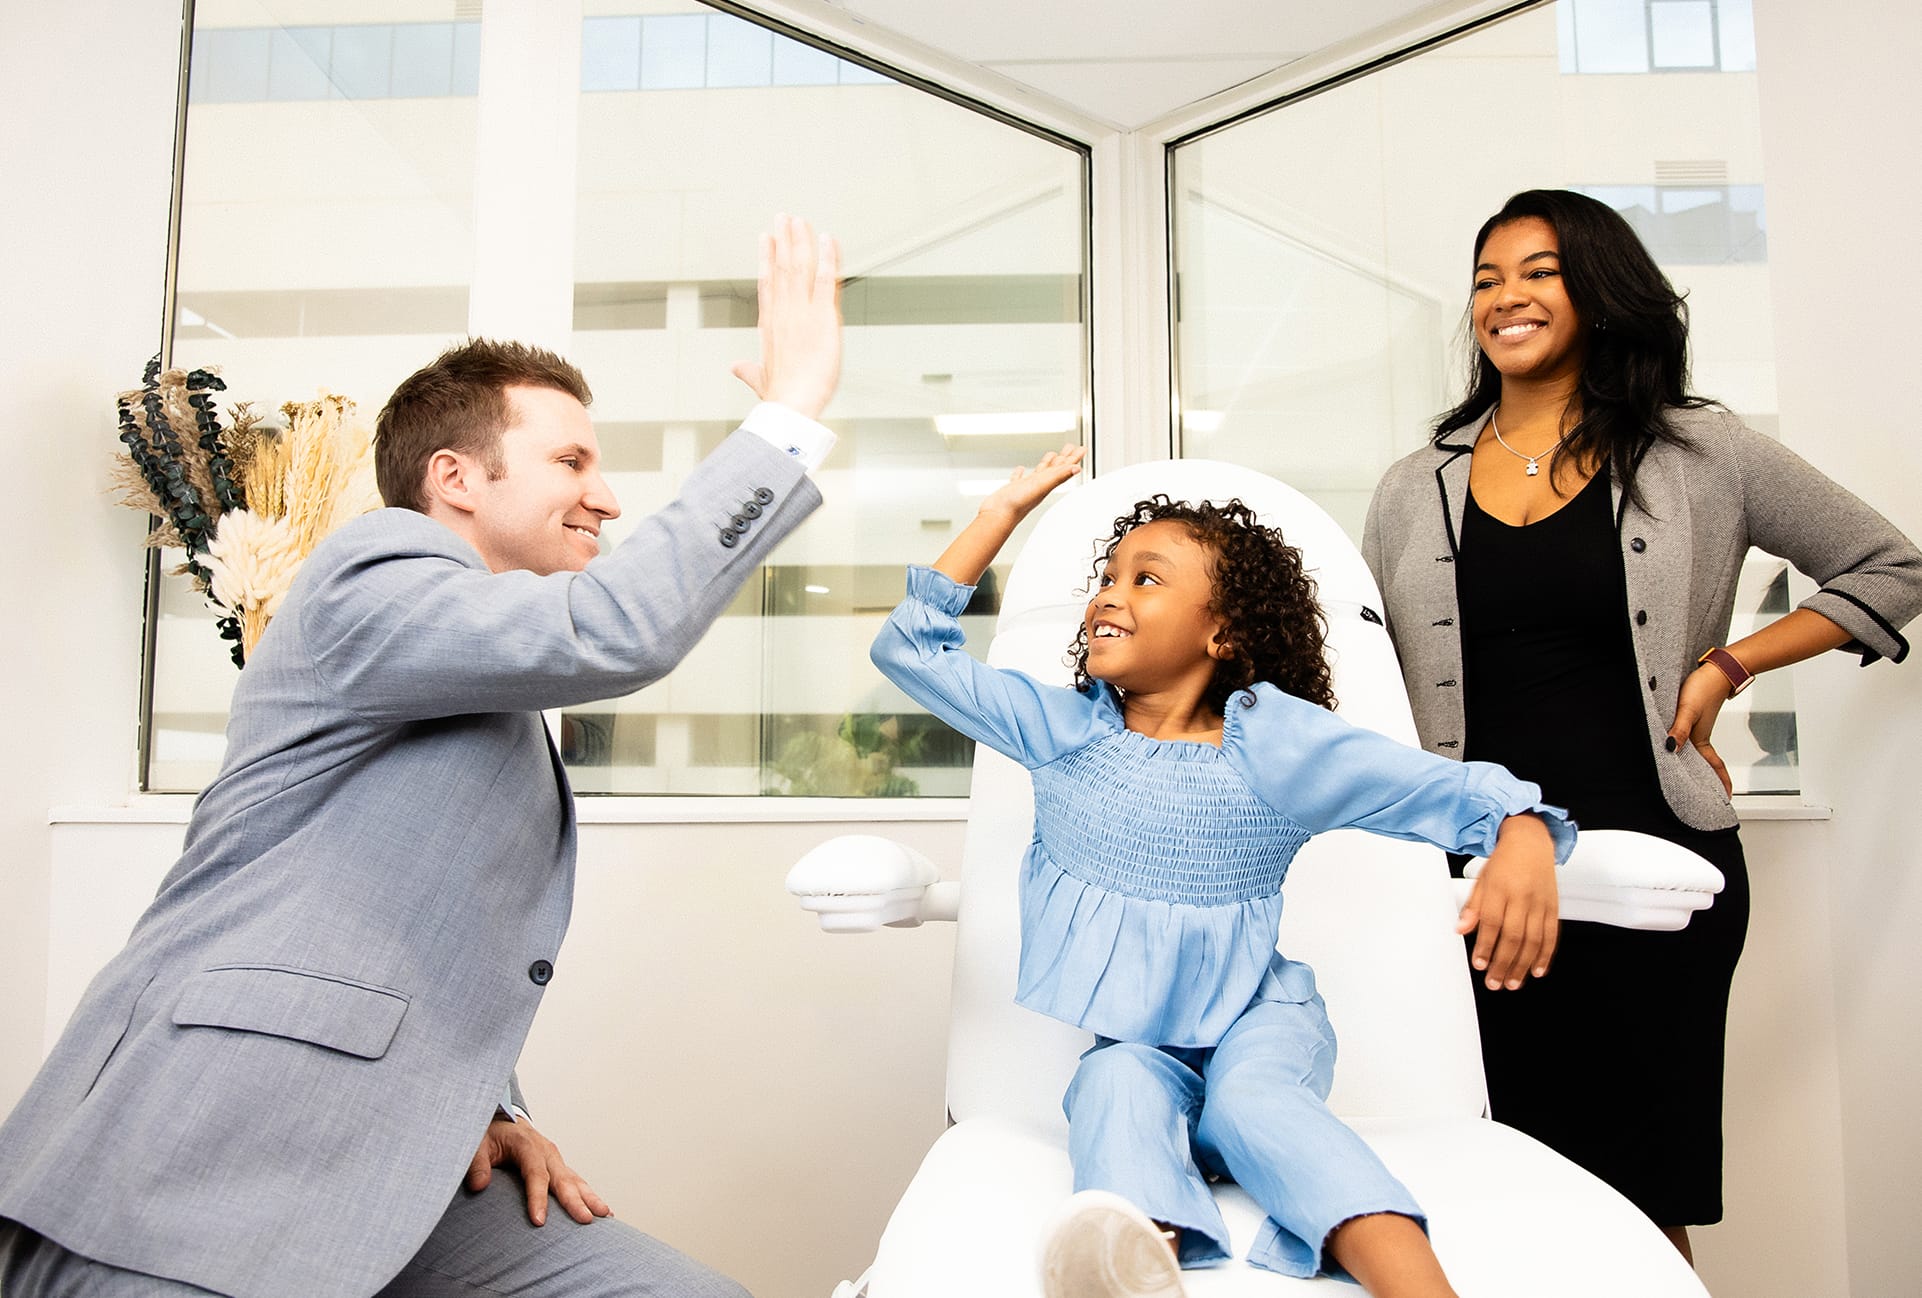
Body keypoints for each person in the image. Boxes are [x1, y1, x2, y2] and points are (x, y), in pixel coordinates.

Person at [0, 216, 843, 1298]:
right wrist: (785, 416)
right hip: (199, 1164)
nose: (608, 494)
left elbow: (407, 914)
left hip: (398, 1167)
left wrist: (489, 1103)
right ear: (454, 477)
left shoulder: (457, 647)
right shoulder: (370, 571)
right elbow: (614, 629)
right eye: (571, 460)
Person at [1362, 188, 1922, 1261]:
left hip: (1655, 863)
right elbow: (1374, 684)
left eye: (1537, 270)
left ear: (1598, 289)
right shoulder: (1409, 487)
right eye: (1485, 278)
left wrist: (1727, 663)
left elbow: (1888, 566)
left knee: (1634, 1190)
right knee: (1483, 1177)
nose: (1504, 296)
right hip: (1467, 868)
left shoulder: (1701, 452)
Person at [871, 448, 1575, 1298]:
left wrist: (1527, 835)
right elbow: (911, 651)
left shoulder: (1277, 744)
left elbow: (1461, 796)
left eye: (1147, 579)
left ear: (1224, 632)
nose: (1108, 594)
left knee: (1254, 1107)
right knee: (1112, 1086)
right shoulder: (1057, 730)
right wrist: (998, 518)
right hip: (1138, 1041)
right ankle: (1140, 1267)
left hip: (1261, 1021)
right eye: (1109, 576)